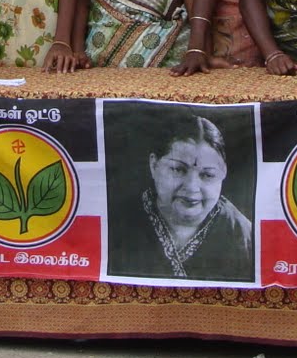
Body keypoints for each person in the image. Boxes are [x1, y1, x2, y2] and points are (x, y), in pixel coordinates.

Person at [108, 113, 253, 281]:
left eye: (207, 175)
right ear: (154, 165)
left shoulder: (245, 237)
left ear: (223, 173)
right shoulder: (114, 224)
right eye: (177, 169)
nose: (191, 187)